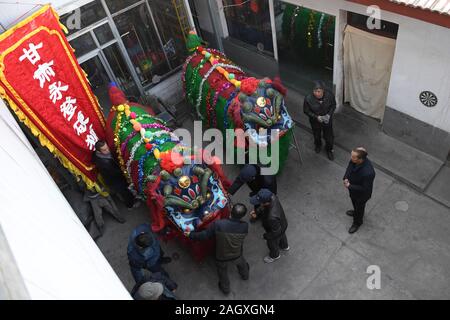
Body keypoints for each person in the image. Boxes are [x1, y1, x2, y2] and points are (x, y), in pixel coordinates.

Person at [186, 204, 250, 295]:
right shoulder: (245, 226)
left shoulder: (219, 224)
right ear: (242, 216)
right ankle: (245, 275)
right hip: (237, 253)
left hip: (222, 256)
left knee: (222, 272)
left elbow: (204, 236)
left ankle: (225, 289)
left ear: (231, 212)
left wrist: (190, 234)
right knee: (242, 264)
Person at [92, 140, 139, 209]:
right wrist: (125, 171)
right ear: (99, 151)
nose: (108, 150)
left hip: (114, 176)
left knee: (122, 191)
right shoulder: (104, 163)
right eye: (104, 150)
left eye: (107, 147)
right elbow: (116, 172)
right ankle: (130, 205)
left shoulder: (97, 154)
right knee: (125, 192)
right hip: (114, 180)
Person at [250, 189, 289, 263]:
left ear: (265, 203)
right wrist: (257, 211)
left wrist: (266, 236)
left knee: (272, 243)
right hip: (283, 223)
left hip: (275, 229)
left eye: (259, 202)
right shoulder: (273, 196)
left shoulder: (271, 217)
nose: (258, 203)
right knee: (282, 235)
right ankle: (284, 246)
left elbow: (275, 233)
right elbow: (265, 207)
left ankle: (275, 255)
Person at [343, 147, 376, 234]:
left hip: (361, 195)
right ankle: (356, 212)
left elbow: (365, 188)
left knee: (359, 208)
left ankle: (357, 222)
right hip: (353, 191)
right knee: (355, 205)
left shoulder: (368, 172)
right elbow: (349, 167)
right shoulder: (355, 160)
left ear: (360, 159)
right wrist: (346, 177)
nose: (351, 158)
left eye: (353, 157)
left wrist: (350, 186)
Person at [303, 80, 337, 160]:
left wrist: (329, 115)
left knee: (329, 137)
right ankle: (318, 145)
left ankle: (329, 150)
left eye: (319, 91)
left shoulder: (330, 95)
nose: (317, 93)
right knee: (316, 135)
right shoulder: (308, 98)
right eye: (315, 91)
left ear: (323, 90)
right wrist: (316, 117)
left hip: (327, 121)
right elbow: (306, 110)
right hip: (315, 122)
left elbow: (333, 105)